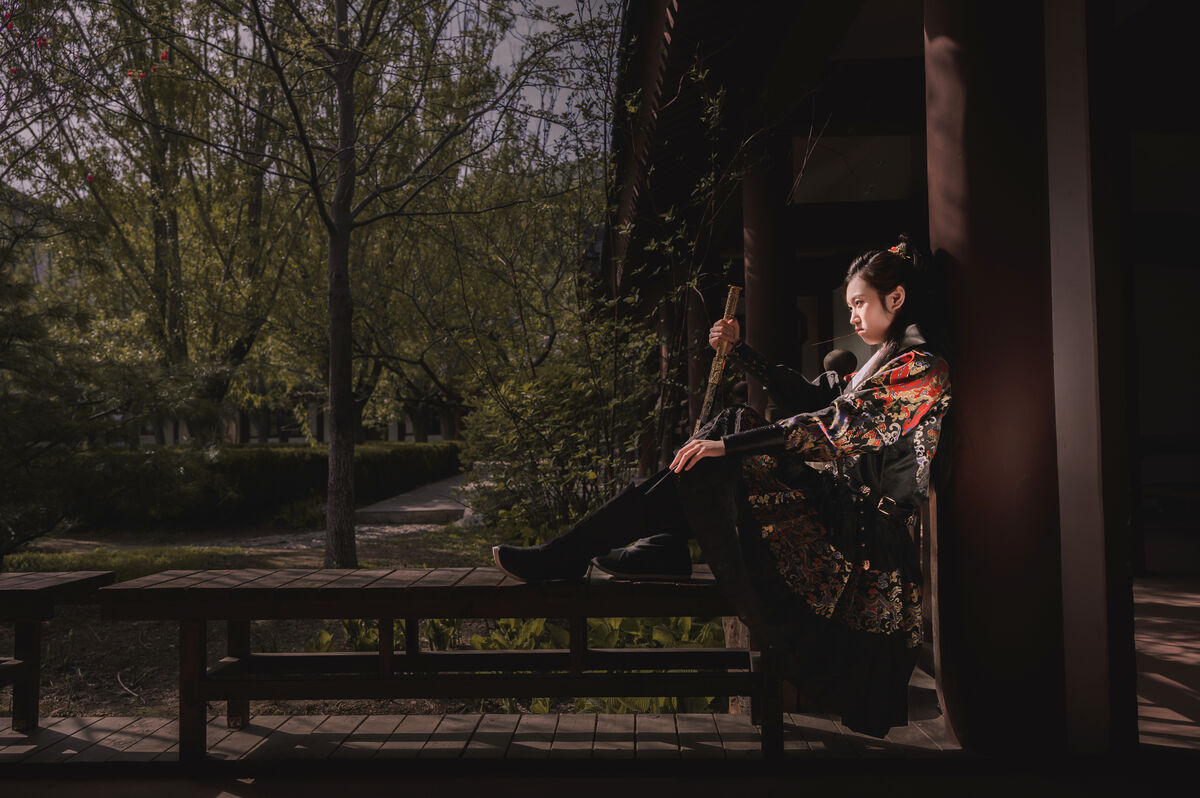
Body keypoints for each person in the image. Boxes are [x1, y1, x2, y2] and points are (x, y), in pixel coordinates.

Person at [492, 237, 952, 737]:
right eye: (850, 307)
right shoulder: (882, 359)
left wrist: (728, 447)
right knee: (729, 427)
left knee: (729, 434)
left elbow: (833, 427)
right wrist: (740, 353)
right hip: (839, 515)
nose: (854, 316)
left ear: (896, 298)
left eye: (859, 303)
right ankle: (612, 548)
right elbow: (811, 397)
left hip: (864, 545)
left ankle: (596, 551)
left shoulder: (922, 370)